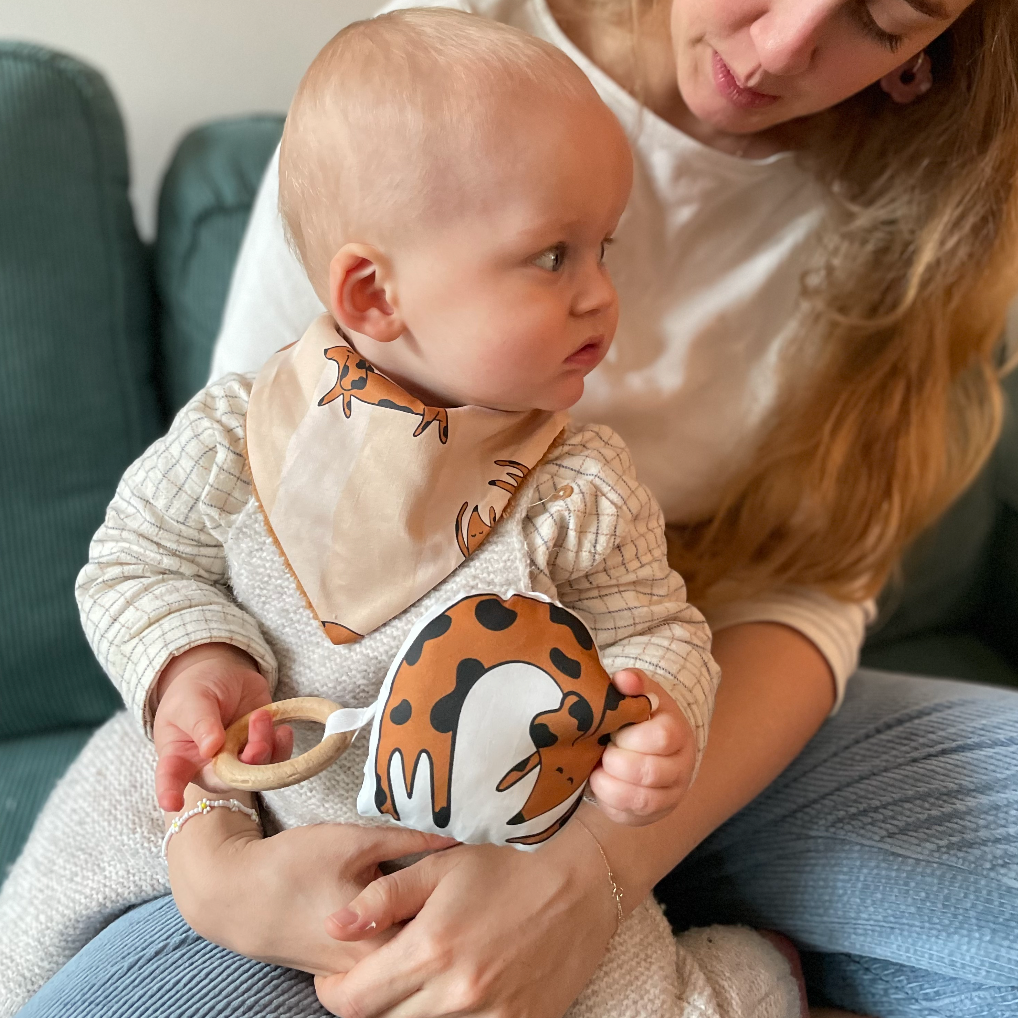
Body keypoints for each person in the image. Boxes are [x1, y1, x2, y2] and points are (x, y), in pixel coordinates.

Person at [2, 0, 1016, 1015]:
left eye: (889, 17)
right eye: (551, 257)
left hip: (573, 791)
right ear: (370, 298)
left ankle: (750, 978)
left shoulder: (582, 483)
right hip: (295, 813)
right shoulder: (253, 419)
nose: (785, 42)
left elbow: (657, 625)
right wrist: (205, 734)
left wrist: (640, 760)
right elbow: (146, 557)